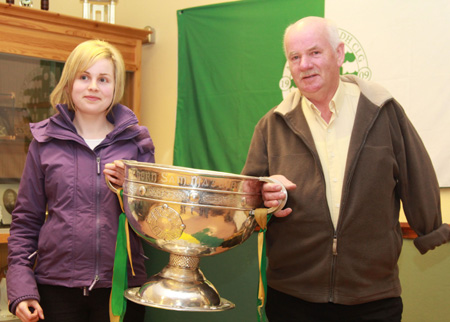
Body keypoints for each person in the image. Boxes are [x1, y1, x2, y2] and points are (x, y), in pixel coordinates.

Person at [241, 16, 450, 322]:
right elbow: (246, 199)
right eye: (295, 57)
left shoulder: (382, 109)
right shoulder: (271, 124)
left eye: (315, 53)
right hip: (293, 297)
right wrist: (264, 198)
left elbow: (416, 172)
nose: (304, 65)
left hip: (373, 296)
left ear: (339, 54)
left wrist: (429, 227)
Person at [7, 40, 155, 322]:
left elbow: (154, 219)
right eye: (84, 77)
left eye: (103, 79)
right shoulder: (43, 143)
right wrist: (21, 287)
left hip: (121, 289)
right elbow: (26, 220)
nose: (93, 87)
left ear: (115, 87)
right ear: (69, 83)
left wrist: (131, 187)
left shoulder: (137, 144)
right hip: (56, 289)